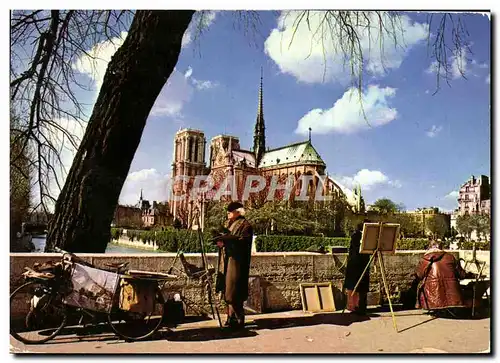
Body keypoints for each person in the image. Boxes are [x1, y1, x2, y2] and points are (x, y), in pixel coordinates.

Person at [214, 201, 253, 329]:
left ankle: (238, 319)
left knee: (234, 291)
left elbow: (243, 244)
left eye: (230, 212)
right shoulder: (229, 224)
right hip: (226, 261)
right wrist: (220, 242)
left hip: (237, 262)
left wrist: (228, 241)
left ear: (237, 212)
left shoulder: (245, 225)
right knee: (227, 290)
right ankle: (230, 318)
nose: (228, 214)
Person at [414, 239, 473, 313]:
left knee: (419, 285)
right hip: (452, 293)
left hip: (433, 295)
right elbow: (461, 275)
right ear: (441, 247)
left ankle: (422, 305)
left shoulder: (425, 259)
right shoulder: (450, 257)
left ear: (429, 247)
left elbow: (419, 275)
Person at [343, 220, 370, 315]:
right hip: (356, 264)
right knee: (354, 286)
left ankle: (359, 306)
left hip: (361, 263)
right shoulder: (356, 236)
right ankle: (353, 306)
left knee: (361, 286)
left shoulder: (361, 236)